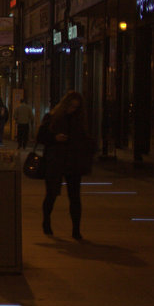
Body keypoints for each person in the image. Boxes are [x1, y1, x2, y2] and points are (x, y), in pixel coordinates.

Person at [36, 90, 93, 240]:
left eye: (76, 107)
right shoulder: (52, 118)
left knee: (75, 197)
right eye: (71, 106)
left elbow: (86, 141)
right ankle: (46, 222)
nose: (72, 109)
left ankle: (76, 230)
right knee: (51, 194)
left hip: (73, 162)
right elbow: (41, 136)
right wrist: (55, 138)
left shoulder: (80, 121)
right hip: (56, 161)